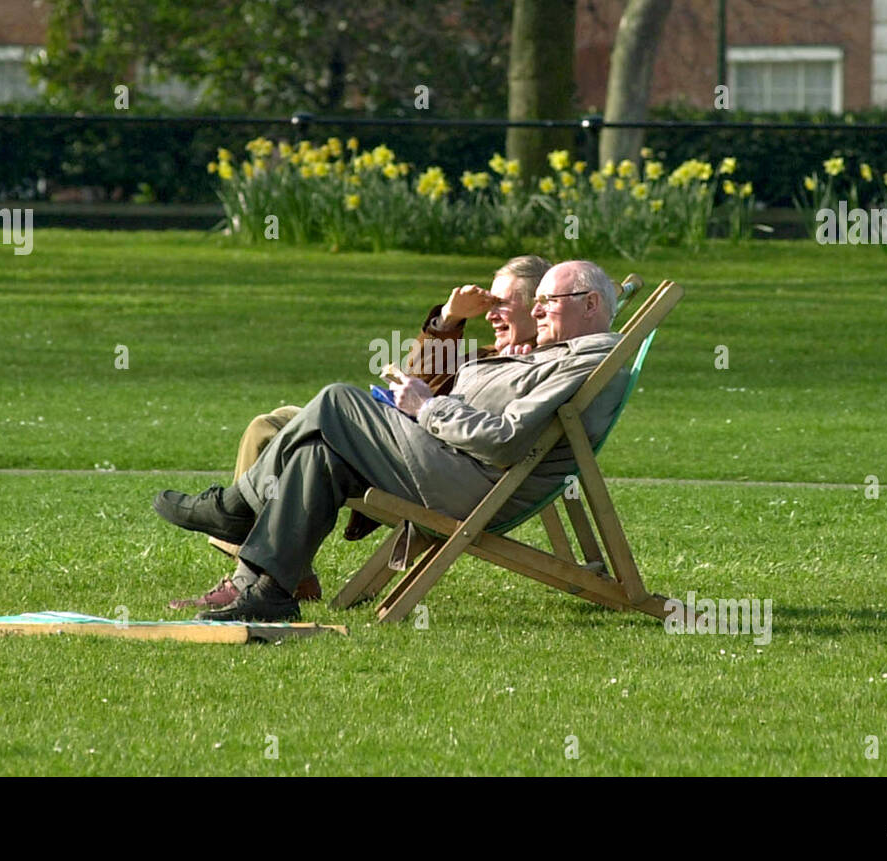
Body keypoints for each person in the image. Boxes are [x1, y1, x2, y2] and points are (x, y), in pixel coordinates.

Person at [154, 260, 629, 622]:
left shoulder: (581, 359)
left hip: (471, 481)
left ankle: (235, 509)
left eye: (546, 302)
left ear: (591, 305)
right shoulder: (545, 353)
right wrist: (447, 321)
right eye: (537, 302)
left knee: (337, 401)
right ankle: (271, 593)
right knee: (316, 453)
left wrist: (426, 407)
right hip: (442, 459)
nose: (536, 311)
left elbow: (504, 440)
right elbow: (438, 376)